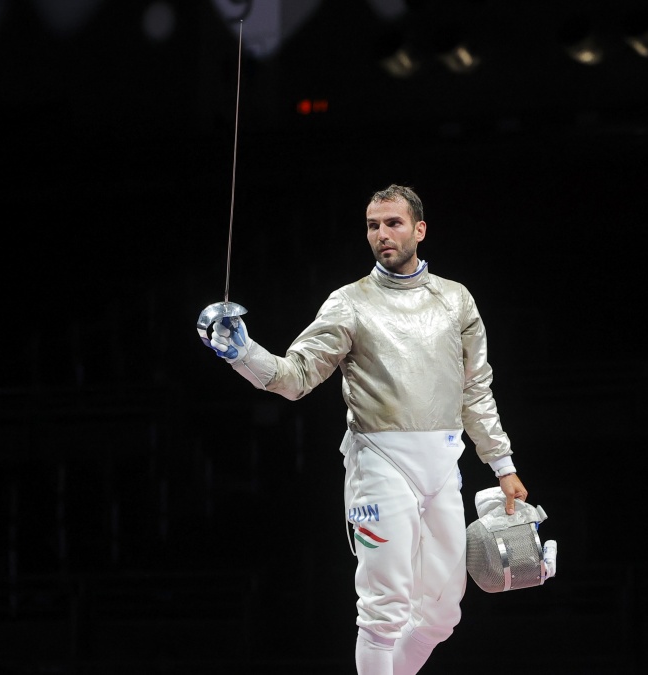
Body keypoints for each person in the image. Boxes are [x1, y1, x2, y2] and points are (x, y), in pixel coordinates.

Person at [198, 184, 529, 675]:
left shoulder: (455, 300)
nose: (381, 234)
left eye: (393, 223)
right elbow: (297, 376)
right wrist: (240, 352)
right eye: (373, 226)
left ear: (419, 229)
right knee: (385, 609)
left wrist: (503, 466)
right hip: (380, 463)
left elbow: (476, 390)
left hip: (443, 464)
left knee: (441, 614)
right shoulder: (349, 303)